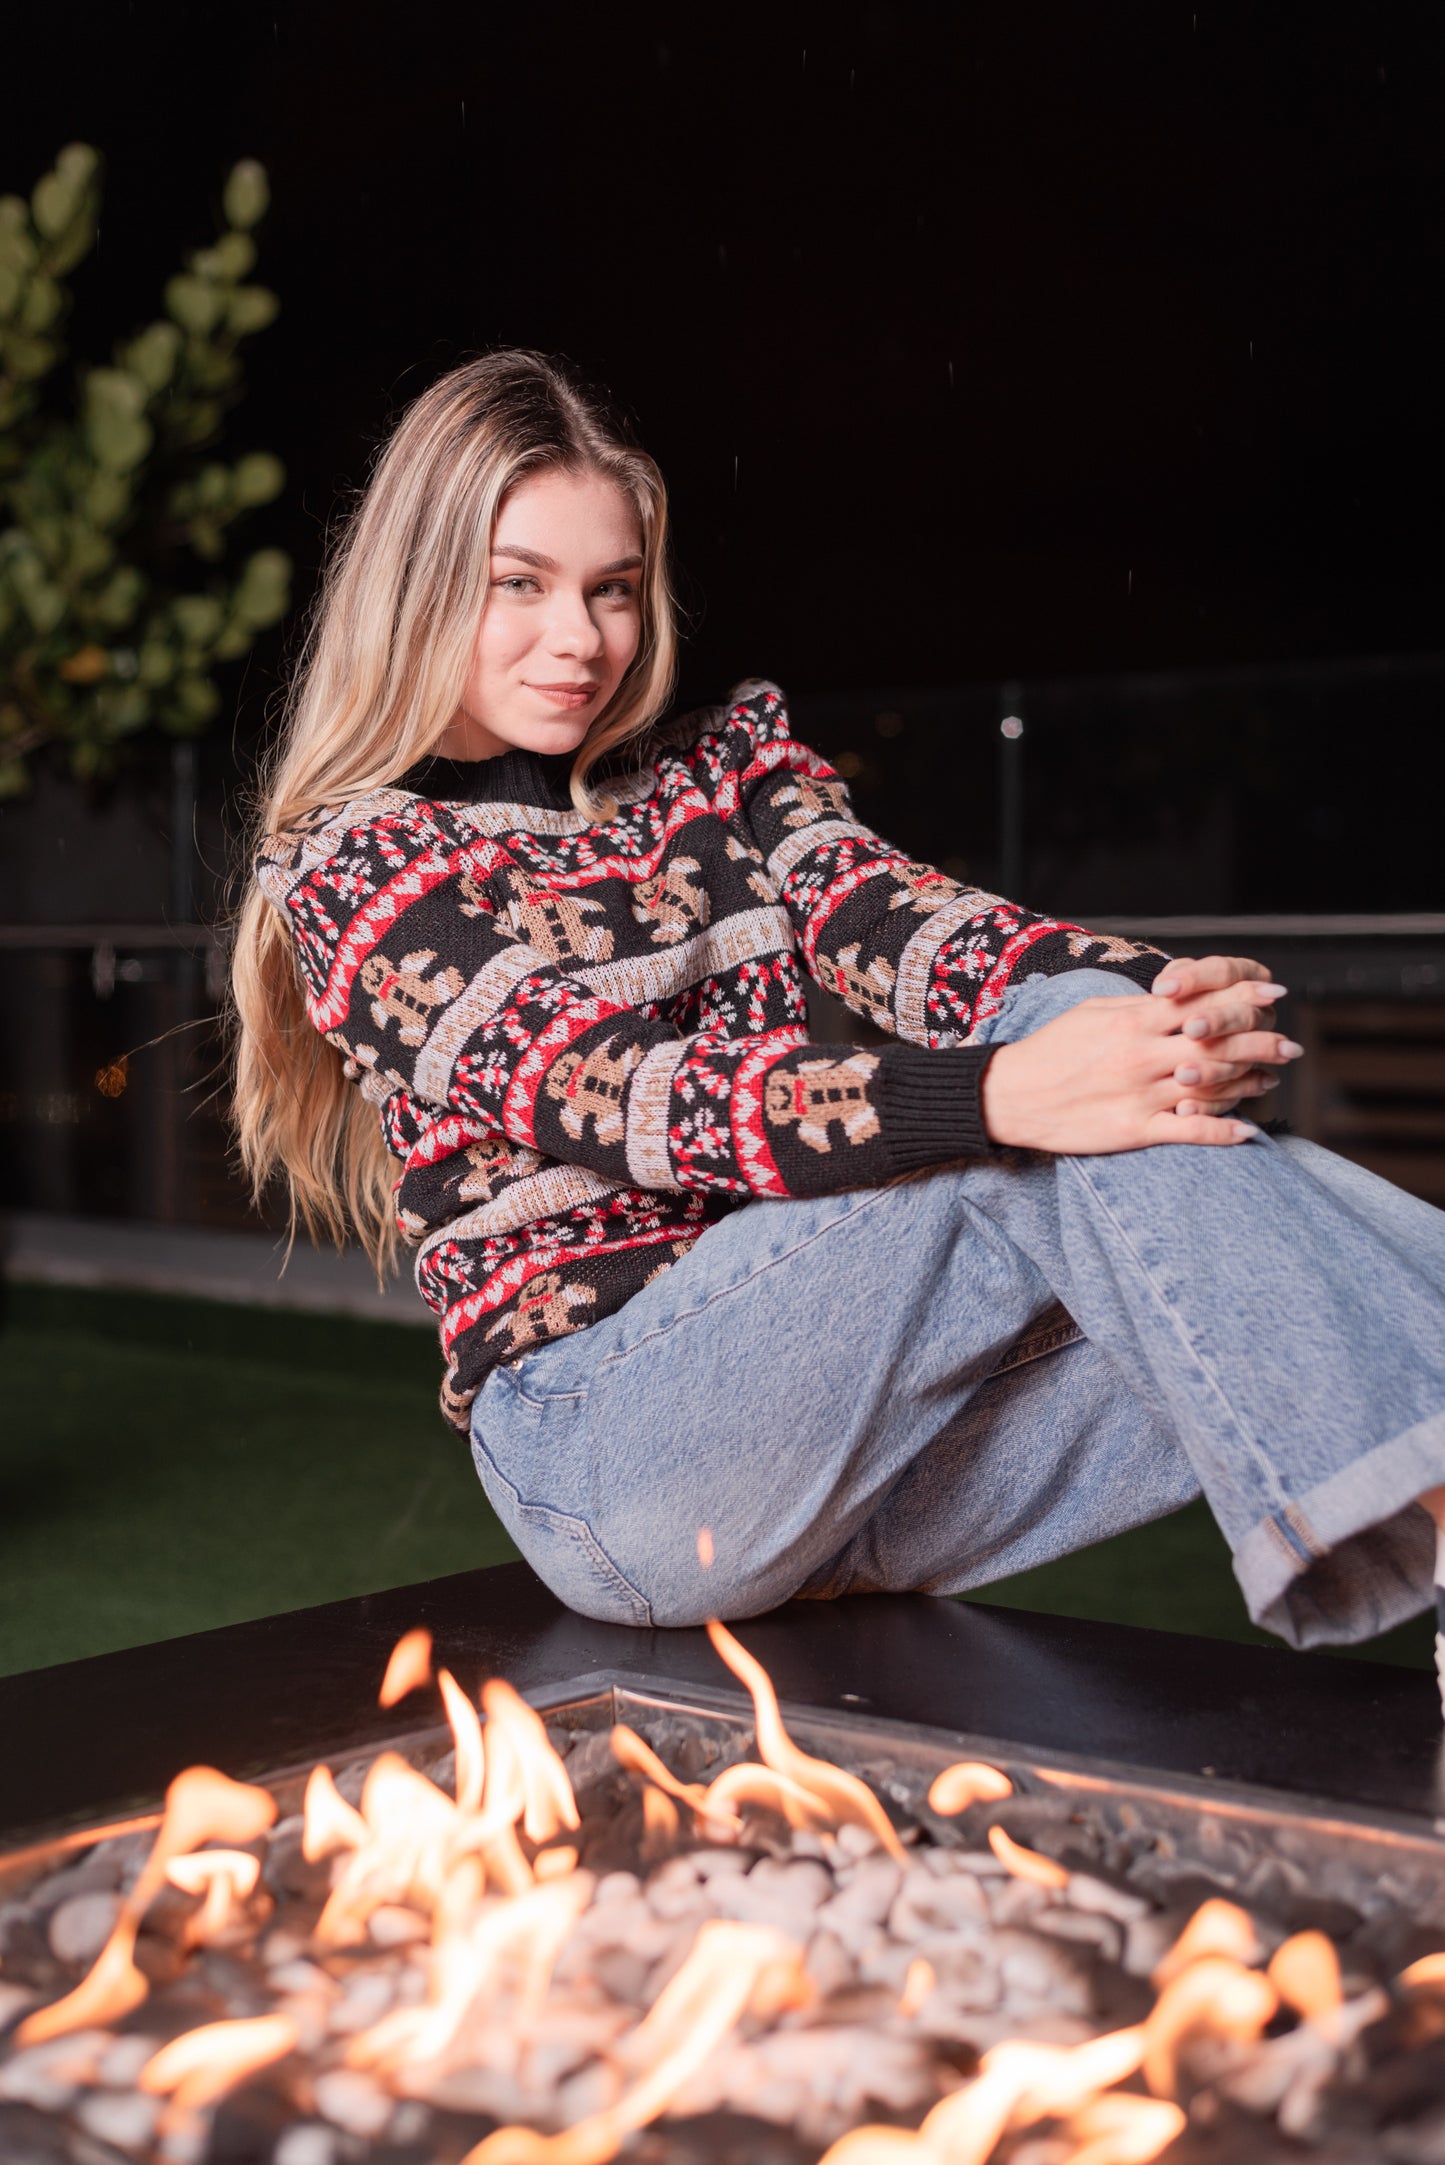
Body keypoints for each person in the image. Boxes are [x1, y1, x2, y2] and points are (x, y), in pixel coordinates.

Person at [231, 351, 1445, 1706]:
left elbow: (906, 923)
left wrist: (1149, 1001)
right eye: (518, 582)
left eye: (610, 589)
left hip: (863, 1464)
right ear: (419, 580)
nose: (576, 638)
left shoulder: (723, 773)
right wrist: (996, 1096)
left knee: (1093, 1060)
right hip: (618, 1459)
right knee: (1020, 1133)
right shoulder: (356, 861)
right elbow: (614, 1088)